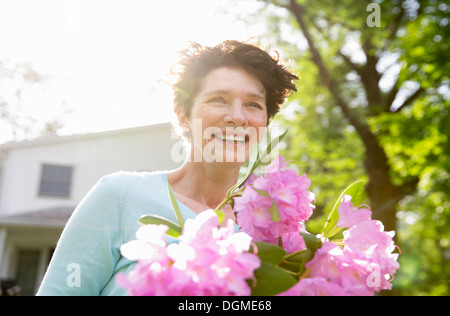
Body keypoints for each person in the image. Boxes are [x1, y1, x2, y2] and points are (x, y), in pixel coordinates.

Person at [37, 40, 298, 296]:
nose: (238, 117)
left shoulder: (272, 231)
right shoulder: (120, 197)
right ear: (183, 115)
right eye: (219, 99)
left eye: (253, 104)